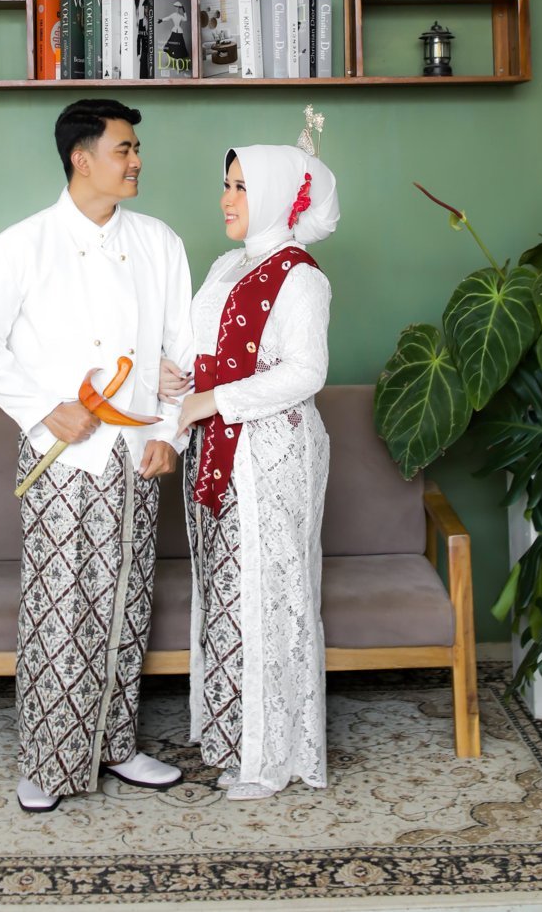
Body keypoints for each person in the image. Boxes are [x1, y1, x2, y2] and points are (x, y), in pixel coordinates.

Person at [0, 99, 193, 813]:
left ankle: (116, 745)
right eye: (125, 149)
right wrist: (43, 407)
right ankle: (47, 759)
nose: (137, 161)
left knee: (127, 601)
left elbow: (182, 353)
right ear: (81, 157)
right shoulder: (21, 244)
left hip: (138, 451)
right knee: (59, 605)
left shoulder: (160, 242)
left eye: (137, 148)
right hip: (61, 456)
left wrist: (171, 434)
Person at [163, 140, 339, 800]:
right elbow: (200, 351)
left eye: (241, 187)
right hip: (218, 451)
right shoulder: (226, 265)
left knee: (268, 595)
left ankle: (271, 757)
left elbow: (307, 371)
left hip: (270, 458)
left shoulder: (301, 277)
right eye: (227, 184)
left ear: (272, 195)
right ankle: (231, 735)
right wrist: (175, 375)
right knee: (228, 594)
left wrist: (214, 400)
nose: (226, 199)